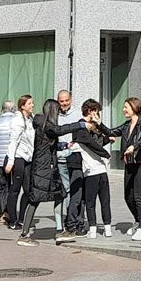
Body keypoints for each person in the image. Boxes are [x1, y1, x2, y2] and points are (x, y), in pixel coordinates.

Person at [17, 99, 90, 247]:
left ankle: (59, 231)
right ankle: (24, 235)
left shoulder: (43, 125)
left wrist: (64, 145)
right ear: (53, 111)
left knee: (59, 195)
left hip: (47, 168)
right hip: (42, 169)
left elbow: (51, 143)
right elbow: (60, 130)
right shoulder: (46, 125)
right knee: (35, 199)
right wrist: (81, 124)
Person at [102, 97, 141, 242]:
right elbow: (110, 131)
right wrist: (97, 123)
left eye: (126, 107)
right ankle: (139, 219)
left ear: (134, 108)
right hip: (130, 162)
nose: (123, 109)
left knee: (138, 195)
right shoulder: (126, 126)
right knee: (128, 196)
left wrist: (134, 146)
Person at [73, 99, 113, 239]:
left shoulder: (94, 128)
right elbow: (93, 144)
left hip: (98, 170)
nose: (98, 115)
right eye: (96, 111)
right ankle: (96, 229)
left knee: (101, 201)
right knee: (92, 202)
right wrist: (106, 153)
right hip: (92, 171)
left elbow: (99, 142)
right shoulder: (81, 128)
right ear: (90, 111)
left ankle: (103, 228)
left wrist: (107, 138)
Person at [3, 95, 37, 230]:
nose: (32, 105)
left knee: (28, 190)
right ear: (22, 106)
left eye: (32, 103)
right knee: (15, 188)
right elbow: (13, 140)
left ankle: (22, 218)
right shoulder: (18, 120)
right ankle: (12, 219)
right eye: (29, 103)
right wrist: (10, 160)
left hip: (28, 157)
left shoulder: (30, 119)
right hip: (17, 157)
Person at [56, 90, 85, 236]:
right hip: (61, 158)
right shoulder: (55, 116)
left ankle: (75, 221)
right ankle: (69, 221)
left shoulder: (78, 115)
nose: (64, 103)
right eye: (61, 101)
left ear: (71, 100)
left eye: (66, 100)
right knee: (66, 191)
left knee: (76, 191)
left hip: (74, 157)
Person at [0, 102, 18, 225]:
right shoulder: (17, 122)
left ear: (2, 110)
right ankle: (11, 212)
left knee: (1, 187)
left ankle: (2, 212)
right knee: (13, 187)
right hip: (14, 159)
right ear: (14, 109)